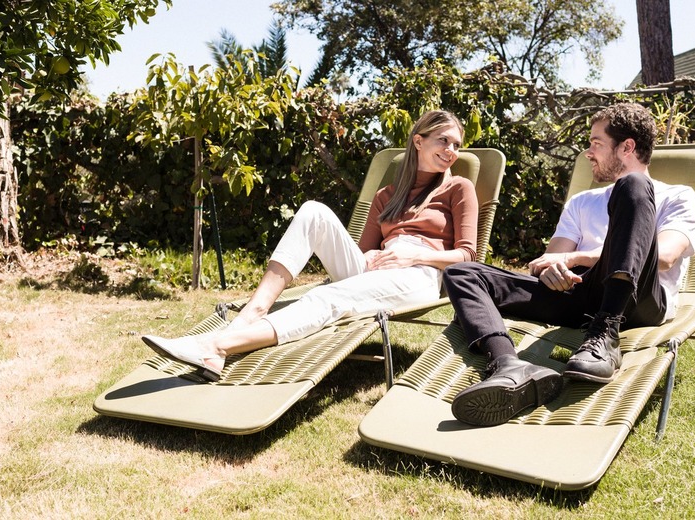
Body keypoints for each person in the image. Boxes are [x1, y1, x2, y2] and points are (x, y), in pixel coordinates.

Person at [142, 109, 479, 382]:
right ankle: (254, 311)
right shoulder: (386, 196)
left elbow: (467, 254)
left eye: (456, 145)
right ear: (418, 142)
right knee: (314, 211)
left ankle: (216, 346)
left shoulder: (459, 188)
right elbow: (361, 253)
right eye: (443, 141)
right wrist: (372, 254)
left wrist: (415, 253)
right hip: (376, 271)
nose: (451, 151)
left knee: (325, 296)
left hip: (420, 274)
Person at [443, 102, 695, 427]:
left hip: (638, 299)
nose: (588, 152)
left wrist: (576, 258)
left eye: (596, 143)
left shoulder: (675, 196)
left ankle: (606, 333)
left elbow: (664, 257)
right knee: (462, 273)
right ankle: (509, 366)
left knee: (632, 185)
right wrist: (553, 269)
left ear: (627, 147)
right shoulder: (582, 202)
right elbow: (552, 259)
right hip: (580, 294)